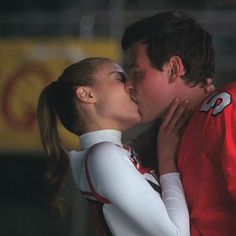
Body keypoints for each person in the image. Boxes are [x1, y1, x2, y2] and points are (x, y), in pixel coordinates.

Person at [37, 57, 192, 236]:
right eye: (119, 79)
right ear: (86, 95)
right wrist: (167, 160)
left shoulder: (105, 154)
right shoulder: (104, 156)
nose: (131, 86)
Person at [122, 10, 236, 236]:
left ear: (174, 68)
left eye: (137, 72)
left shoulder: (226, 110)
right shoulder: (164, 138)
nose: (128, 85)